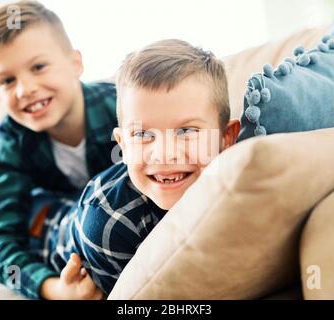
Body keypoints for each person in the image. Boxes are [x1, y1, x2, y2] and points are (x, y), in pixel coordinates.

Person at [0, 0, 118, 300]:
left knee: (13, 235)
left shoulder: (118, 108)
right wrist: (52, 289)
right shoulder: (14, 135)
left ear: (75, 63)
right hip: (21, 199)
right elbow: (0, 242)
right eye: (8, 81)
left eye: (38, 67)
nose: (24, 89)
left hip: (51, 209)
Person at [40, 39, 241, 295]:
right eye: (143, 134)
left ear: (227, 138)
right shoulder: (110, 223)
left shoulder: (238, 185)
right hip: (41, 230)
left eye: (186, 130)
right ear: (123, 145)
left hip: (73, 199)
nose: (165, 154)